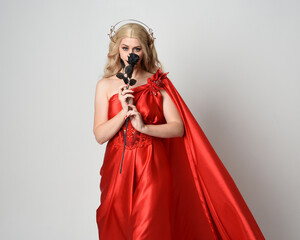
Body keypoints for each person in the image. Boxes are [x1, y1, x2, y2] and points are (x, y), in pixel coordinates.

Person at [93, 20, 265, 240]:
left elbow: (178, 128)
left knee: (149, 229)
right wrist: (124, 111)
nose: (130, 54)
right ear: (117, 48)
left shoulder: (158, 82)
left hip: (151, 166)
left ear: (145, 50)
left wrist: (144, 127)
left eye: (137, 48)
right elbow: (100, 135)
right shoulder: (105, 85)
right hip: (117, 167)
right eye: (125, 48)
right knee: (114, 227)